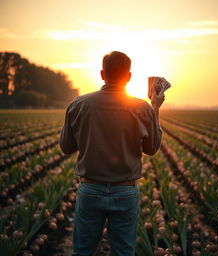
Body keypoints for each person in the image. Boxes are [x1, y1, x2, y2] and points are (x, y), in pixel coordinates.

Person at [59, 51, 165, 256]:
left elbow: (66, 147)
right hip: (125, 192)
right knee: (123, 252)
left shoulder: (78, 104)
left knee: (82, 251)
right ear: (129, 76)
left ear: (101, 74)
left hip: (90, 189)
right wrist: (156, 109)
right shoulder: (142, 108)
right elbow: (151, 149)